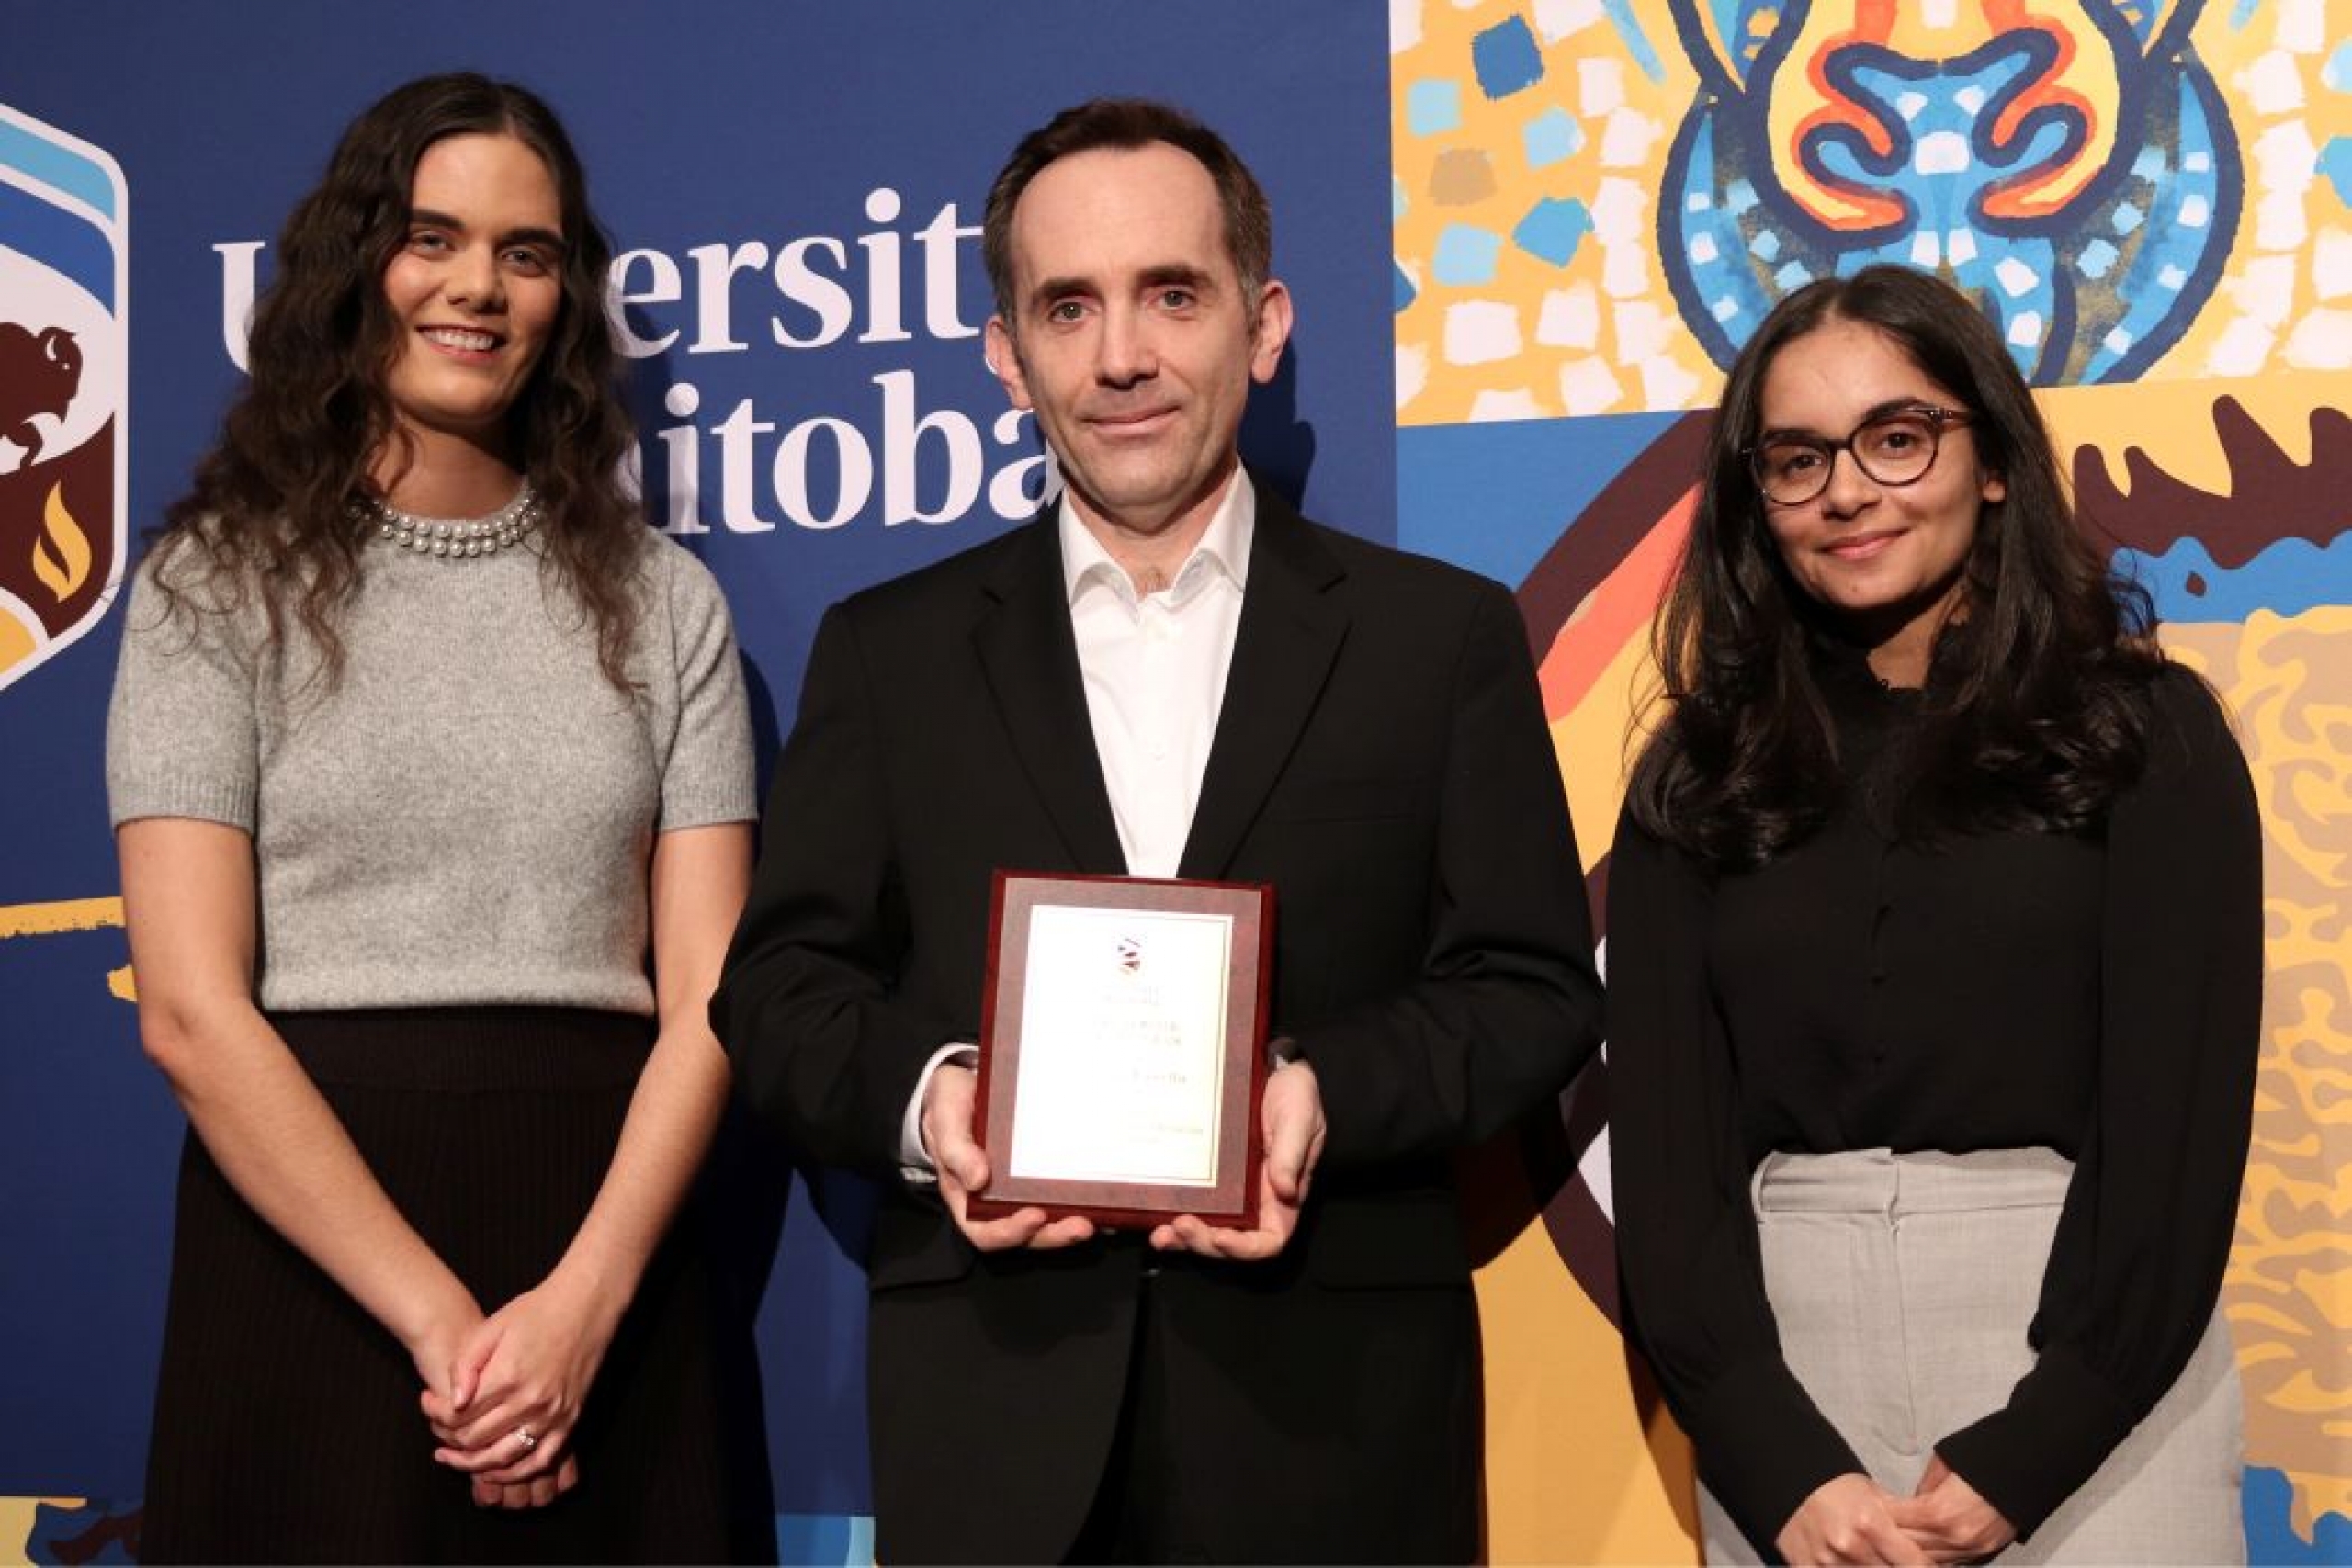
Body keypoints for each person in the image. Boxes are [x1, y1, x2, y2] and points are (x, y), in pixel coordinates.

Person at [713, 97, 1601, 1563]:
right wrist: (937, 1106)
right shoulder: (893, 653)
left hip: (1333, 1418)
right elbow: (777, 990)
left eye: (1170, 295)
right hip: (996, 1422)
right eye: (1069, 307)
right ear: (1008, 354)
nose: (1121, 354)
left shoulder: (1434, 639)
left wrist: (1320, 1095)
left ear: (1262, 324)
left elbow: (1534, 992)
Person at [107, 73, 757, 1562]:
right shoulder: (213, 588)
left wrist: (577, 1315)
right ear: (357, 265)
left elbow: (715, 999)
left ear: (563, 299)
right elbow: (192, 1015)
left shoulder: (668, 606)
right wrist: (453, 1335)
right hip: (309, 1260)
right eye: (430, 236)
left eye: (525, 253)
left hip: (606, 1253)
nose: (478, 284)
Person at [1607, 264, 2260, 1565]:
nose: (1847, 490)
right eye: (1796, 459)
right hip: (1790, 1405)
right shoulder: (1696, 777)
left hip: (2096, 1382)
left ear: (1995, 459)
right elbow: (1670, 1173)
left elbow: (2176, 1137)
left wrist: (2040, 1442)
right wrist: (1775, 1458)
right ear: (1759, 502)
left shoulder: (2147, 736)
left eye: (1896, 438)